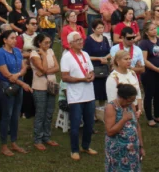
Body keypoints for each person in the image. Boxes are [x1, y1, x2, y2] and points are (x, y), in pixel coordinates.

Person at [61, 31, 98, 161]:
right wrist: (82, 79)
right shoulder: (66, 57)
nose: (81, 42)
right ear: (70, 43)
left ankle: (86, 146)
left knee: (90, 123)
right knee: (75, 125)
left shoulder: (85, 54)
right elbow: (64, 77)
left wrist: (92, 76)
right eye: (77, 40)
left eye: (81, 39)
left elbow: (91, 70)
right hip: (76, 97)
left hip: (89, 94)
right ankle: (74, 150)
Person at [0, 29, 30, 156]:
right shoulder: (0, 54)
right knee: (6, 115)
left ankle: (13, 142)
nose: (15, 40)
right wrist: (22, 83)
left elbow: (24, 68)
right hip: (6, 87)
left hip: (17, 86)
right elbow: (6, 75)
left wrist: (18, 75)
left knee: (15, 115)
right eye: (12, 38)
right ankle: (4, 145)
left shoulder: (17, 51)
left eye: (15, 38)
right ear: (5, 40)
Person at [104, 83, 144, 172]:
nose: (131, 102)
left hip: (133, 150)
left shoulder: (131, 106)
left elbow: (137, 126)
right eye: (130, 100)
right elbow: (110, 131)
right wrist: (124, 119)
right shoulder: (111, 107)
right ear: (122, 98)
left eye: (133, 100)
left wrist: (141, 146)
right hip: (118, 151)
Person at [29, 33, 59, 151]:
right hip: (39, 87)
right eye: (45, 42)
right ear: (39, 43)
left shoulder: (51, 51)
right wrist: (44, 56)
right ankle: (38, 139)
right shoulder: (34, 54)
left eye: (49, 42)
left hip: (51, 85)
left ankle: (46, 136)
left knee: (49, 112)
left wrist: (44, 72)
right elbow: (44, 68)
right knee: (40, 113)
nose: (48, 44)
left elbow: (57, 67)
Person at [138, 22, 159, 127]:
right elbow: (144, 60)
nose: (154, 31)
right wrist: (156, 69)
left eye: (155, 28)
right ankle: (149, 118)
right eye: (152, 29)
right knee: (149, 95)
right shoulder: (144, 43)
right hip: (149, 73)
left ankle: (157, 115)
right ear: (146, 32)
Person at [83, 19, 111, 104]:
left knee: (104, 90)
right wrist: (99, 58)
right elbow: (86, 56)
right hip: (94, 67)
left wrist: (105, 58)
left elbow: (109, 52)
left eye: (102, 27)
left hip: (104, 67)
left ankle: (102, 107)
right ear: (93, 29)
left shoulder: (105, 39)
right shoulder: (89, 40)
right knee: (94, 90)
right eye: (98, 28)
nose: (101, 30)